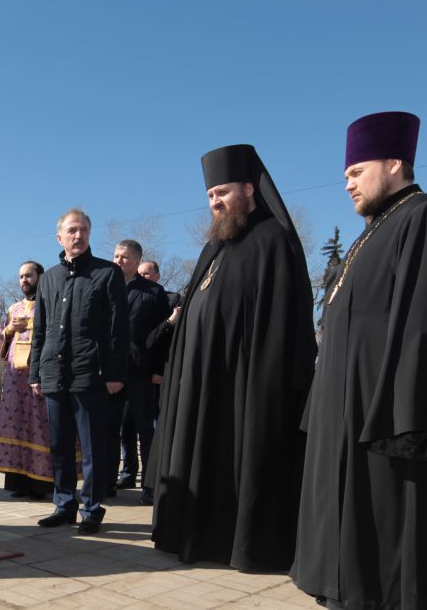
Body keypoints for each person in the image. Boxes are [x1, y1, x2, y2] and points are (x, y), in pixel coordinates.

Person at [290, 112, 427, 608]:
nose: (348, 184)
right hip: (344, 415)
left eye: (357, 172)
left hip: (388, 419)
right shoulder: (370, 234)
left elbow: (426, 322)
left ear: (394, 163)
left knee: (392, 563)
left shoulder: (426, 217)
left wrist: (405, 418)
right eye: (346, 176)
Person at [147, 144, 316, 572]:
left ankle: (236, 543)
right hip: (199, 382)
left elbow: (280, 326)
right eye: (210, 195)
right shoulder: (214, 248)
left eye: (222, 192)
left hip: (243, 386)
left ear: (249, 189)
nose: (215, 202)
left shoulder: (273, 240)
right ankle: (189, 534)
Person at [30, 208, 129, 535]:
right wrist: (35, 373)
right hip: (54, 373)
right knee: (59, 445)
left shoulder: (108, 273)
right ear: (59, 237)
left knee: (92, 448)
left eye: (84, 229)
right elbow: (40, 331)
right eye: (72, 230)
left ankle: (92, 509)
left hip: (90, 374)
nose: (79, 235)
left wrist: (115, 373)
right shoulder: (49, 279)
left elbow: (118, 329)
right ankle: (63, 504)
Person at [109, 241, 171, 505]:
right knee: (114, 429)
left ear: (137, 260)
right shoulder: (106, 288)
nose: (118, 261)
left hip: (142, 372)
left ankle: (149, 484)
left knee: (146, 430)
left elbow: (164, 334)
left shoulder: (153, 292)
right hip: (111, 373)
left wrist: (159, 370)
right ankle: (112, 479)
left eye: (124, 257)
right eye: (116, 256)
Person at [0, 261, 54, 500]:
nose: (24, 280)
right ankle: (19, 481)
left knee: (39, 427)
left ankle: (40, 484)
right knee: (15, 425)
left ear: (40, 277)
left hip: (40, 377)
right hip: (15, 380)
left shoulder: (50, 304)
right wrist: (9, 330)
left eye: (29, 275)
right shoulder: (13, 308)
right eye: (21, 277)